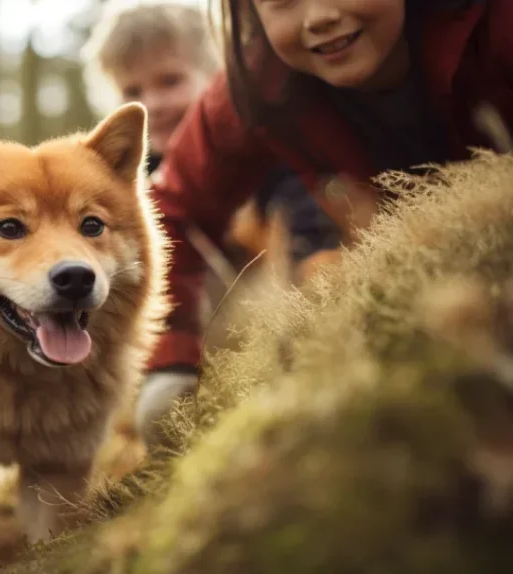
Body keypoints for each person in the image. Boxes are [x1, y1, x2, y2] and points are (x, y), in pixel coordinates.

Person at [144, 0, 513, 432]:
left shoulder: (497, 23)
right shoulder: (258, 84)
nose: (318, 16)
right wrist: (171, 363)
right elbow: (169, 208)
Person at [81, 0, 338, 447]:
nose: (153, 104)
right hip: (198, 333)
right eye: (132, 91)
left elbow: (303, 203)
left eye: (170, 80)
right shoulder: (132, 189)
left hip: (281, 301)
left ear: (215, 73)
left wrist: (315, 269)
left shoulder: (255, 148)